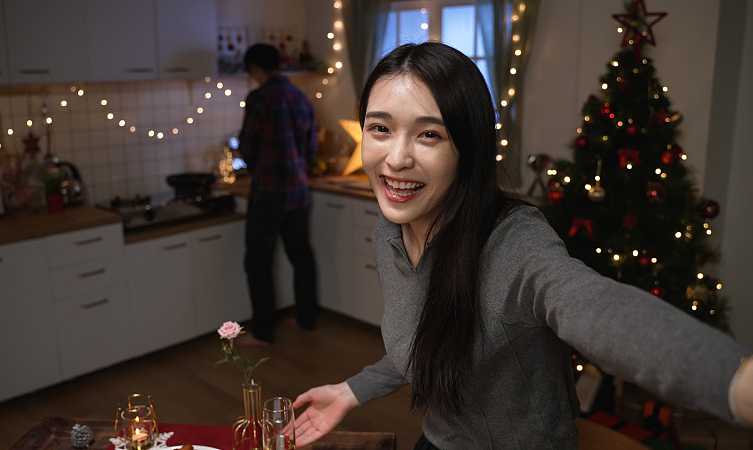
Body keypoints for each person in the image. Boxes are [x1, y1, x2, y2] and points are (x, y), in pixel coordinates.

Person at [291, 42, 753, 448]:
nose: (396, 158)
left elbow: (592, 306)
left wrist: (735, 381)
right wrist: (352, 391)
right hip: (439, 441)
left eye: (429, 134)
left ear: (467, 149)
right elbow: (424, 341)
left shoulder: (513, 242)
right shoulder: (389, 235)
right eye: (380, 128)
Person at [237, 43, 318, 345]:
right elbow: (311, 147)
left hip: (269, 194)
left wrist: (257, 165)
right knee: (301, 256)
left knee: (258, 261)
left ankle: (262, 332)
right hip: (298, 193)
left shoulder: (259, 99)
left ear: (256, 68)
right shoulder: (300, 97)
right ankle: (306, 318)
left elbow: (247, 147)